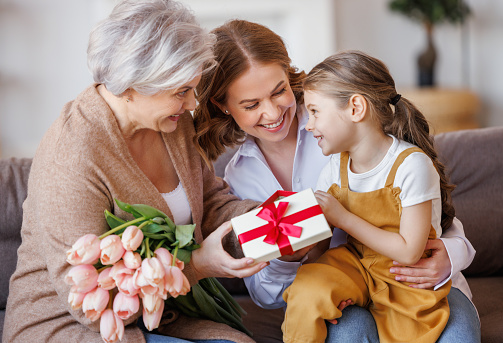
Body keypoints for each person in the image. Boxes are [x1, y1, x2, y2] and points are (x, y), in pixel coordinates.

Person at [193, 20, 480, 342]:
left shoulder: (345, 121)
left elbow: (432, 211)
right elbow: (267, 295)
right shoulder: (238, 177)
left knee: (458, 331)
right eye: (251, 104)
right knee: (349, 331)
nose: (273, 113)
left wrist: (451, 254)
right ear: (223, 105)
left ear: (290, 75)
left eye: (279, 91)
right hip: (340, 288)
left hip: (414, 283)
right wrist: (292, 257)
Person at [3, 2, 267, 343]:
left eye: (192, 89)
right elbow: (87, 303)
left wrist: (271, 224)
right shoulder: (74, 154)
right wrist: (198, 265)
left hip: (160, 316)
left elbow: (211, 204)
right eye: (181, 92)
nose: (192, 105)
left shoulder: (172, 124)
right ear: (130, 85)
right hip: (72, 327)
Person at [282, 50, 458, 342]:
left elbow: (409, 252)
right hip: (357, 266)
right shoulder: (333, 171)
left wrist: (342, 218)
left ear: (355, 108)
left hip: (405, 276)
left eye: (314, 111)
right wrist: (292, 244)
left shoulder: (411, 165)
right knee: (308, 288)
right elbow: (320, 253)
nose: (308, 124)